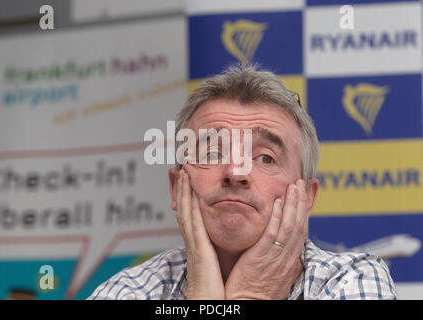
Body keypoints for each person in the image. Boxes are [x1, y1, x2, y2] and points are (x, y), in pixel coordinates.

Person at [88, 65, 397, 300]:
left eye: (265, 158)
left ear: (306, 197)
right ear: (175, 187)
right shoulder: (128, 291)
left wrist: (249, 294)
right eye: (211, 153)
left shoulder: (353, 280)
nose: (236, 172)